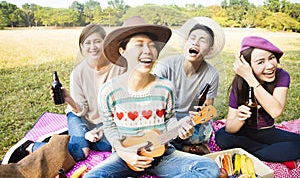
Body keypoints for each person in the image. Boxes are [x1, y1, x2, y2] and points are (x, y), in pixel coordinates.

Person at [84, 16, 220, 178]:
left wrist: (180, 128)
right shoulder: (108, 91)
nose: (148, 51)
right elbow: (110, 128)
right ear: (123, 51)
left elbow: (169, 120)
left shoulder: (165, 87)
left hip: (163, 154)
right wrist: (125, 153)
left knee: (209, 168)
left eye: (152, 45)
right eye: (139, 45)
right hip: (125, 156)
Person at [3, 24, 126, 164]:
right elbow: (82, 110)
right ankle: (30, 146)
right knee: (80, 152)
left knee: (112, 145)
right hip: (79, 114)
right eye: (88, 42)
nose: (93, 47)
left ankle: (75, 138)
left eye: (98, 41)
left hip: (104, 121)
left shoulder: (119, 68)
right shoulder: (78, 73)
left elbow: (120, 105)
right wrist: (68, 99)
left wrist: (101, 130)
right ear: (82, 46)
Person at [215, 36, 300, 169]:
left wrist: (250, 79)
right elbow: (230, 127)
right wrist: (239, 118)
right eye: (260, 62)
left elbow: (276, 111)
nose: (270, 65)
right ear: (247, 66)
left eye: (271, 58)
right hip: (243, 133)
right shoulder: (239, 83)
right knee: (222, 136)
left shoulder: (282, 76)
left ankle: (256, 153)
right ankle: (268, 153)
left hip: (267, 132)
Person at [153, 17, 225, 155]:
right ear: (185, 43)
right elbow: (153, 106)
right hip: (165, 119)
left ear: (209, 50)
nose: (196, 43)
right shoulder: (165, 66)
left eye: (202, 40)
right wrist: (174, 126)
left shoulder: (211, 74)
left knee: (203, 133)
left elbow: (207, 111)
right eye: (192, 38)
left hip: (191, 122)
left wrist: (200, 115)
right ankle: (185, 148)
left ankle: (173, 146)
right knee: (155, 134)